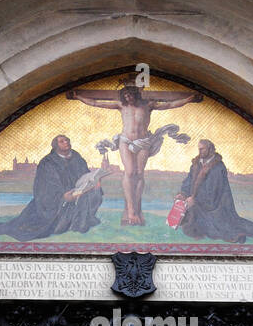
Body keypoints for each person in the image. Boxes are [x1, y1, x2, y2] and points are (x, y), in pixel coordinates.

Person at [68, 84, 201, 225]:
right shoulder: (121, 106)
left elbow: (170, 104)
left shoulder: (148, 105)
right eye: (125, 96)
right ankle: (131, 210)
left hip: (143, 141)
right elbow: (96, 103)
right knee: (130, 172)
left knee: (139, 173)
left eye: (130, 95)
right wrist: (78, 97)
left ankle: (136, 209)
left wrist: (188, 99)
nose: (128, 98)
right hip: (125, 141)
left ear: (135, 94)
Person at [0, 135, 103, 240]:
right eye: (62, 141)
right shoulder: (47, 162)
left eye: (67, 140)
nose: (66, 142)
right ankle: (66, 223)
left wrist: (95, 181)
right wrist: (63, 196)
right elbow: (44, 186)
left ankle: (80, 222)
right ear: (55, 146)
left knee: (96, 192)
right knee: (48, 225)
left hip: (79, 191)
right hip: (56, 200)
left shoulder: (77, 158)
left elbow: (86, 174)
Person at [175, 140, 253, 243]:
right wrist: (183, 194)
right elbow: (188, 180)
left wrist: (195, 200)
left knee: (217, 230)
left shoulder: (218, 167)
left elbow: (213, 191)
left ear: (210, 149)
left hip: (216, 207)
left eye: (202, 149)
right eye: (198, 149)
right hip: (198, 201)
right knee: (185, 216)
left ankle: (238, 236)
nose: (199, 151)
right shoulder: (196, 164)